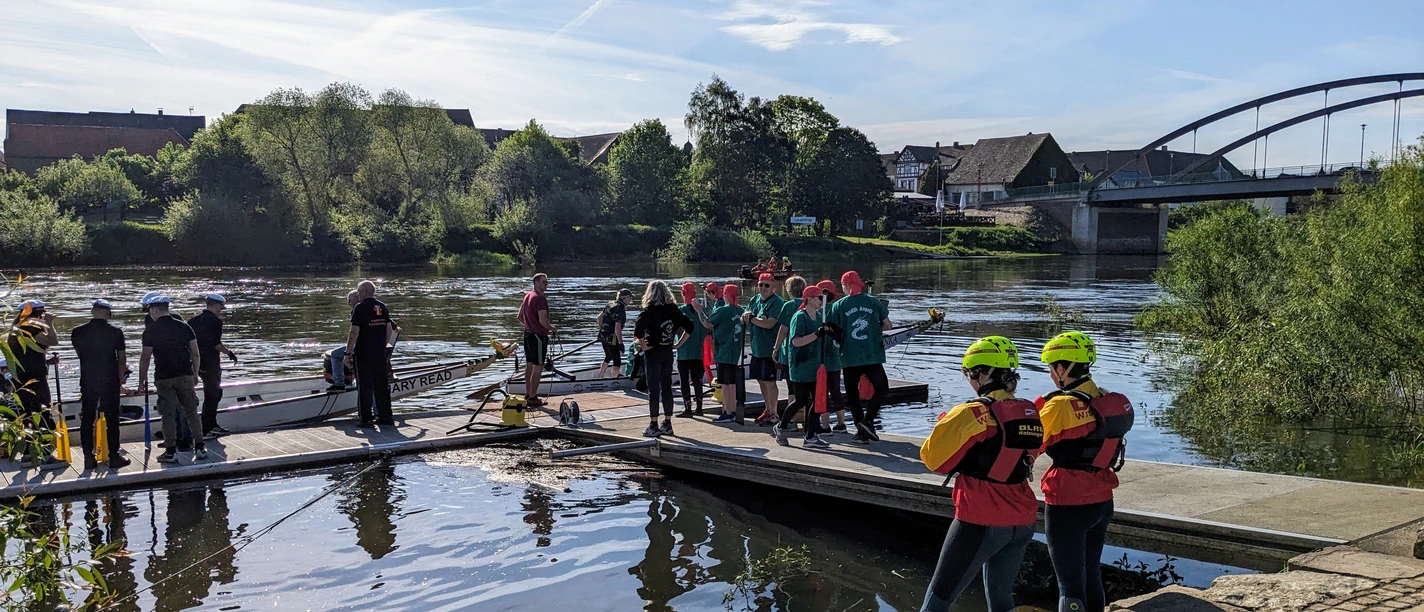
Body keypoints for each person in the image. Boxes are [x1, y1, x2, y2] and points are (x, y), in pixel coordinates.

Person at [918, 336, 1042, 612]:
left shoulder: (970, 412)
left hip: (980, 520)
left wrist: (945, 425)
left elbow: (932, 460)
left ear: (981, 373)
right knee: (1001, 601)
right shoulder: (1029, 410)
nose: (968, 380)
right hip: (1022, 521)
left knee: (936, 600)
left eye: (968, 374)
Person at [1037, 332, 1132, 612]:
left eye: (1051, 368)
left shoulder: (1060, 407)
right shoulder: (1107, 399)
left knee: (1069, 584)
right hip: (1102, 500)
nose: (1051, 375)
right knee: (1091, 573)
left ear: (1062, 369)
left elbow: (1027, 443)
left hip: (1067, 501)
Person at [140, 295, 207, 464]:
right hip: (185, 375)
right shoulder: (184, 327)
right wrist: (195, 374)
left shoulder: (150, 331)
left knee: (168, 414)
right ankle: (199, 447)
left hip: (164, 377)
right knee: (191, 411)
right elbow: (196, 353)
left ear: (155, 310)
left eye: (150, 310)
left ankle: (171, 451)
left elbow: (145, 358)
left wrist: (141, 381)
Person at [830, 270, 892, 444]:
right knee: (882, 389)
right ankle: (868, 420)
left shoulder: (838, 305)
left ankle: (861, 430)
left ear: (846, 286)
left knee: (852, 394)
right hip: (871, 354)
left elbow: (832, 329)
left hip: (849, 357)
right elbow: (887, 325)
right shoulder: (873, 302)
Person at [70, 299, 132, 470]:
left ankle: (88, 458)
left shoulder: (77, 332)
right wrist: (121, 379)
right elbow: (121, 359)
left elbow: (79, 354)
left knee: (87, 418)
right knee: (112, 419)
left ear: (93, 312)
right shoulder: (115, 332)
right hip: (109, 380)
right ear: (107, 313)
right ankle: (114, 456)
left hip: (88, 379)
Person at [6, 300, 65, 469]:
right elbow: (53, 341)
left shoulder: (15, 330)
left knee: (26, 416)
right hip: (35, 381)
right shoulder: (32, 328)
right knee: (43, 414)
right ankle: (46, 457)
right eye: (40, 314)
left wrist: (46, 361)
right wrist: (49, 323)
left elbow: (27, 355)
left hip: (20, 380)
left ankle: (27, 455)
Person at [632, 281, 693, 438]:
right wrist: (678, 344)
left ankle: (653, 424)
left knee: (653, 389)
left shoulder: (649, 311)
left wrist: (644, 346)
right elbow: (690, 326)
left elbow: (638, 331)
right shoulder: (673, 310)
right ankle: (667, 422)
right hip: (667, 351)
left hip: (653, 352)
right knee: (667, 387)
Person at [774, 285, 830, 448]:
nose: (821, 301)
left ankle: (811, 435)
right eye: (819, 298)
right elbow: (796, 342)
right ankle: (781, 426)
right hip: (800, 365)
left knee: (818, 400)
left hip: (815, 366)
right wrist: (816, 334)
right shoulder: (799, 317)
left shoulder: (820, 316)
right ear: (810, 299)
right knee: (801, 400)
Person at [344, 280, 396, 427]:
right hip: (380, 353)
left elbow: (354, 332)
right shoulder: (382, 306)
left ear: (364, 292)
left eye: (359, 291)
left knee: (365, 386)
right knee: (381, 385)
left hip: (364, 353)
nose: (358, 294)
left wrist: (347, 352)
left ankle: (367, 419)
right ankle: (386, 417)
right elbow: (389, 329)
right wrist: (383, 345)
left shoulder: (360, 308)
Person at [188, 294, 238, 439]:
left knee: (206, 394)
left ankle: (205, 425)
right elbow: (216, 344)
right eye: (221, 307)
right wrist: (230, 353)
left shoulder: (193, 321)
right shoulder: (215, 322)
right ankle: (208, 427)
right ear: (216, 305)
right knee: (213, 394)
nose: (221, 309)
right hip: (210, 362)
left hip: (196, 362)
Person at [743, 273, 783, 425]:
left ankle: (774, 413)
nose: (763, 288)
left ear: (773, 287)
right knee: (760, 380)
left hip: (769, 349)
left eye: (766, 285)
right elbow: (746, 316)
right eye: (761, 285)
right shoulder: (754, 300)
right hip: (756, 348)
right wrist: (748, 317)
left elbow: (770, 324)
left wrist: (753, 319)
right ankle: (767, 410)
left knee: (770, 381)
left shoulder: (777, 302)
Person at [707, 283, 745, 424]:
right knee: (732, 383)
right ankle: (733, 410)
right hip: (735, 352)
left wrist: (699, 310)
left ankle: (728, 412)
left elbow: (707, 323)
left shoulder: (724, 310)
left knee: (725, 384)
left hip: (723, 350)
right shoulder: (740, 310)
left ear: (726, 295)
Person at [815, 279, 847, 433]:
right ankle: (841, 423)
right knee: (835, 391)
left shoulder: (820, 311)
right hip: (836, 357)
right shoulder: (838, 308)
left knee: (823, 391)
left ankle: (825, 425)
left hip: (824, 356)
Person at [517, 273, 554, 406]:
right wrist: (552, 329)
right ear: (536, 283)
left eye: (547, 282)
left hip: (527, 335)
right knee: (538, 366)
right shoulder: (540, 299)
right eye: (544, 282)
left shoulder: (527, 296)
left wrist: (529, 325)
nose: (546, 285)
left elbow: (520, 316)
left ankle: (528, 394)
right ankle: (533, 397)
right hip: (538, 337)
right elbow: (543, 321)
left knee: (529, 365)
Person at [675, 283, 709, 418]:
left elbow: (676, 329)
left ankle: (688, 408)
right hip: (698, 352)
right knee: (697, 381)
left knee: (684, 381)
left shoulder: (681, 310)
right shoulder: (702, 310)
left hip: (683, 352)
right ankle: (699, 408)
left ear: (684, 294)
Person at [326, 290, 361, 391]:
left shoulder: (357, 309)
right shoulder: (373, 307)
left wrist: (347, 353)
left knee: (335, 355)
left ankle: (339, 383)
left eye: (349, 300)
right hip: (374, 344)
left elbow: (354, 333)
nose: (349, 303)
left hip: (361, 345)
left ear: (355, 298)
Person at [596, 288, 632, 379]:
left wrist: (602, 330)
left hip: (603, 335)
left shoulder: (610, 304)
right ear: (625, 298)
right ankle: (614, 380)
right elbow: (617, 327)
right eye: (630, 298)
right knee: (617, 360)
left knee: (608, 356)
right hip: (613, 338)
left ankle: (600, 377)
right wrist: (621, 343)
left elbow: (599, 318)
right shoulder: (620, 309)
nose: (631, 300)